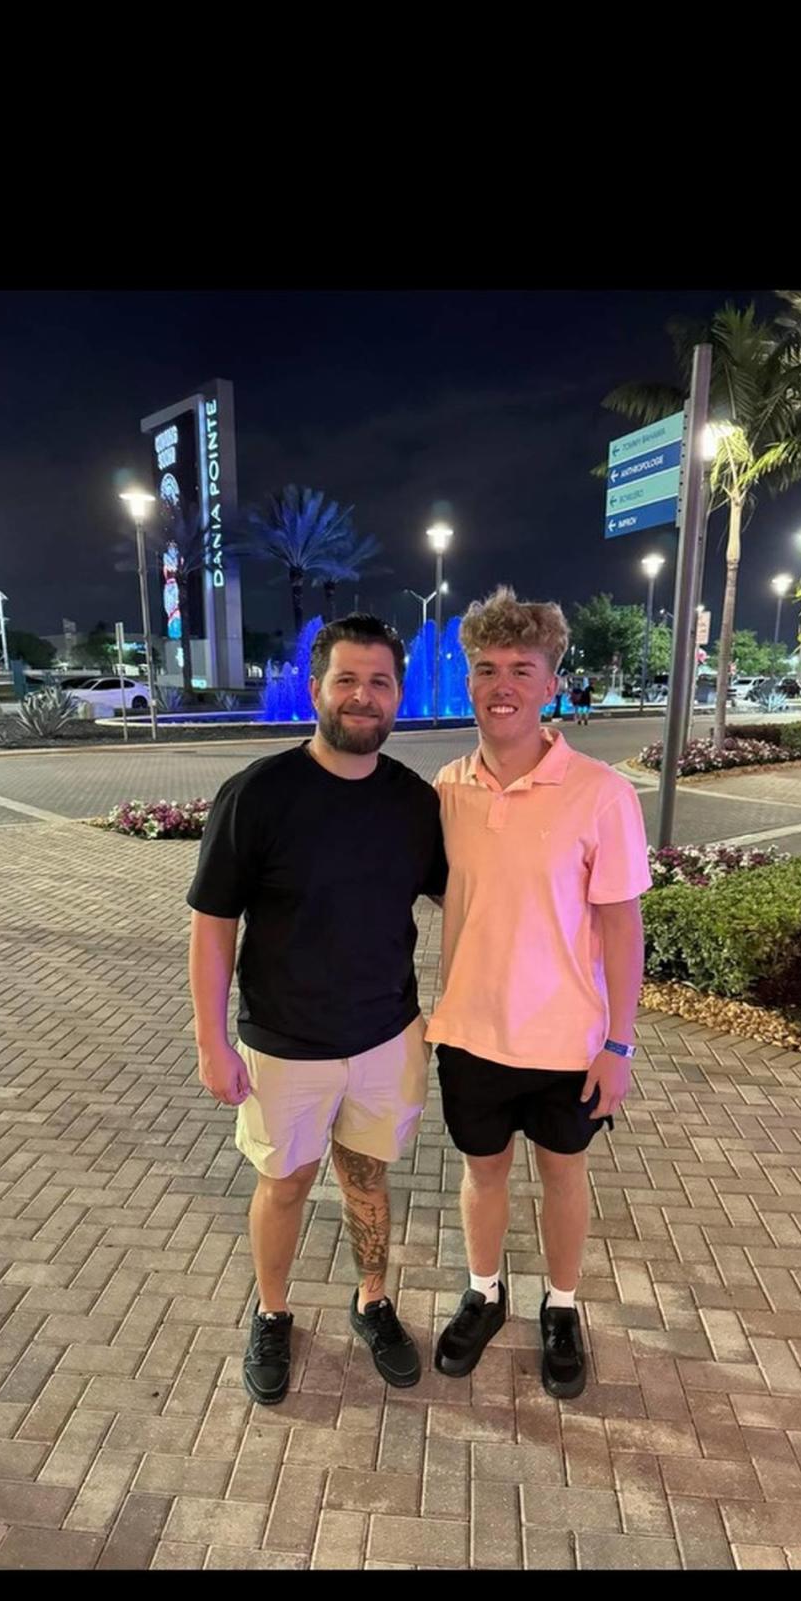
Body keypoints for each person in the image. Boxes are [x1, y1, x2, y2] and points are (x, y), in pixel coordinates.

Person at [187, 615, 448, 1407]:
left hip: (385, 1035)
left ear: (397, 694)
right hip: (285, 1043)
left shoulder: (414, 801)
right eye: (347, 679)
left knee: (368, 1180)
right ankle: (272, 1312)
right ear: (316, 689)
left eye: (379, 682)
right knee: (288, 1182)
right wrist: (210, 1041)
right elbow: (211, 925)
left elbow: (467, 903)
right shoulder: (258, 794)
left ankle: (372, 1299)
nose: (363, 696)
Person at [426, 588, 652, 1399]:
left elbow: (623, 930)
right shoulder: (448, 787)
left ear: (552, 683)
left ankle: (561, 1306)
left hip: (569, 1043)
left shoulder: (601, 793)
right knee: (483, 1174)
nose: (501, 684)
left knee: (563, 1175)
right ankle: (485, 1293)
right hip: (472, 1034)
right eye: (485, 668)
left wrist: (618, 1044)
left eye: (521, 668)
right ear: (469, 679)